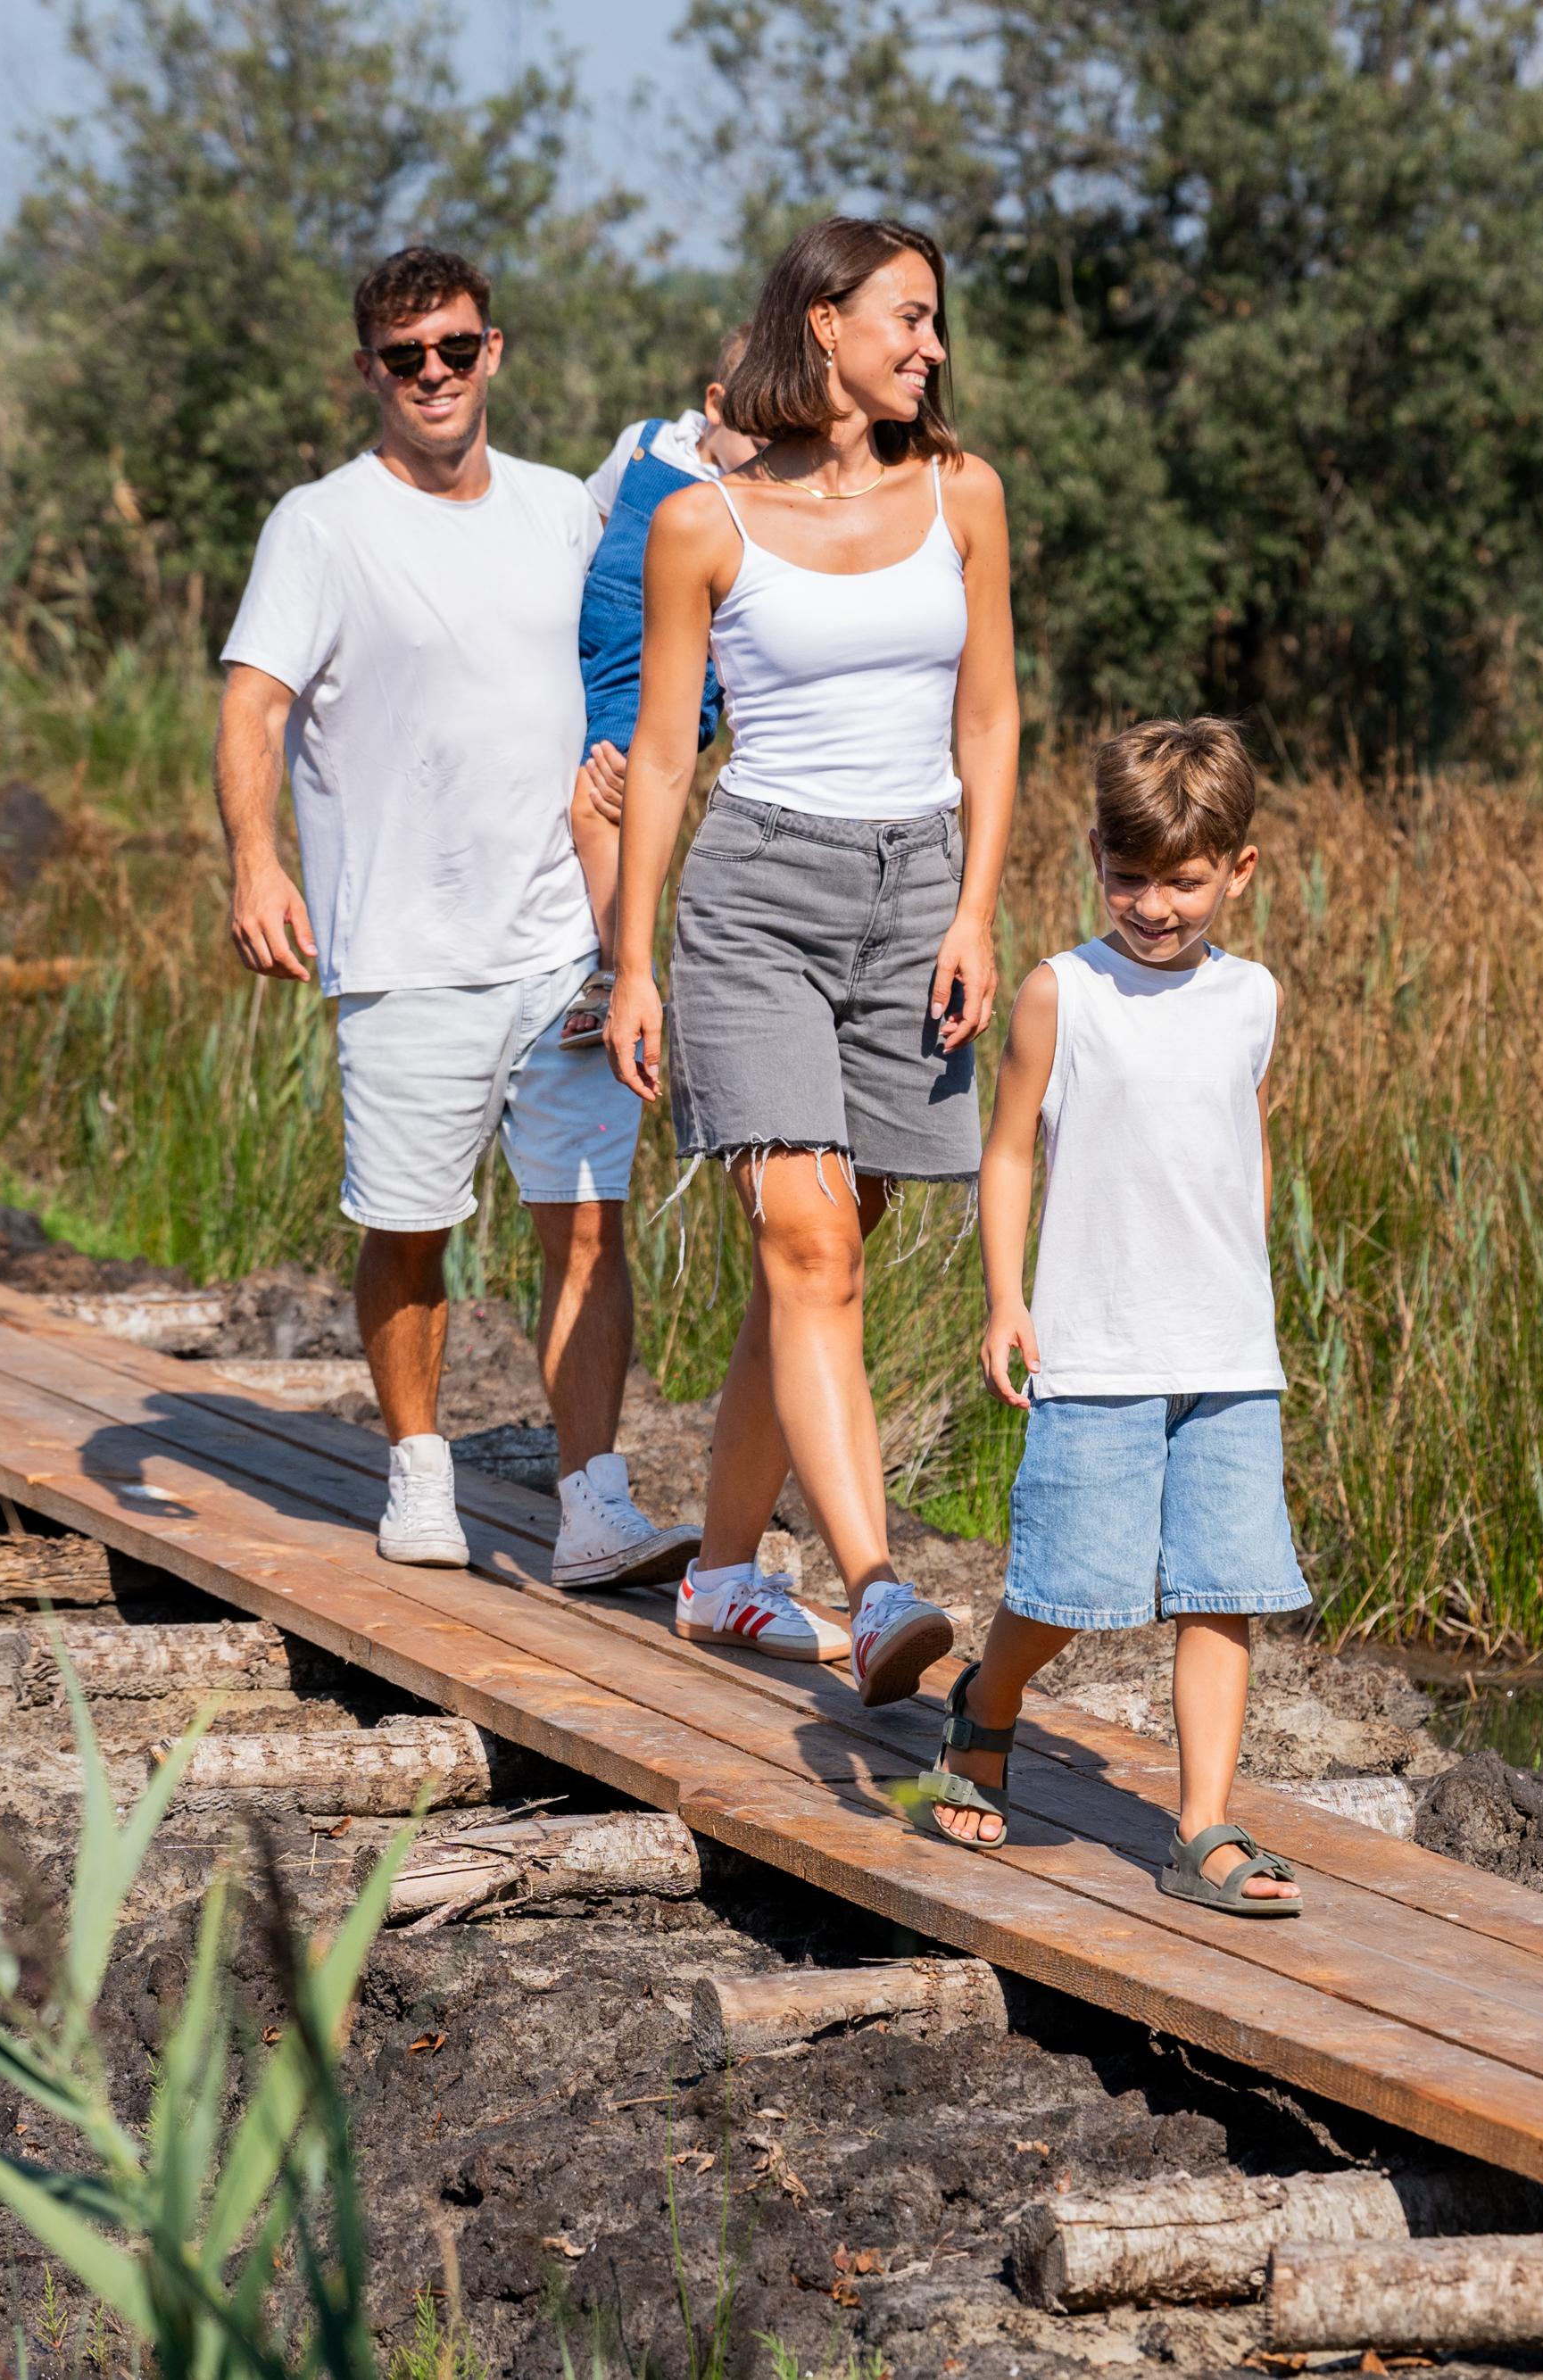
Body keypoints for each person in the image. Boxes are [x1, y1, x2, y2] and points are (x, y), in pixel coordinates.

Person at [215, 245, 699, 1593]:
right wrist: (257, 863)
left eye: (455, 348)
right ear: (367, 370)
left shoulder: (558, 509)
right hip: (402, 951)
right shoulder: (321, 524)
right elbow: (252, 702)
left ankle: (592, 1495)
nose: (433, 374)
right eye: (403, 356)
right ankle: (420, 1466)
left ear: (496, 353)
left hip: (566, 943)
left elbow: (638, 640)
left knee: (588, 1220)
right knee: (410, 1226)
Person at [603, 217, 1022, 1695]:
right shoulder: (698, 522)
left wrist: (974, 910)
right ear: (823, 323)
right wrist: (636, 960)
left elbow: (988, 722)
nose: (931, 346)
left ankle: (721, 1578)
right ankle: (877, 1581)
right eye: (906, 318)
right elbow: (662, 757)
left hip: (916, 903)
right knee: (810, 1245)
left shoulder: (963, 495)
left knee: (823, 1267)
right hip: (758, 899)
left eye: (935, 323)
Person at [902, 719, 1307, 1917]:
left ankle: (1204, 1829)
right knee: (1069, 1579)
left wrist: (1252, 1277)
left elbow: (1246, 1140)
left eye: (1183, 879)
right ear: (1093, 856)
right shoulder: (1061, 992)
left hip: (1229, 1347)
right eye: (1129, 876)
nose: (1154, 904)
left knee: (1220, 1583)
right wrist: (1006, 1296)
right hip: (1097, 1340)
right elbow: (1012, 1148)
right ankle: (989, 1696)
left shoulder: (1252, 998)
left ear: (1237, 869)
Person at [558, 331, 762, 1038]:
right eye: (757, 427)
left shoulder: (750, 504)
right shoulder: (642, 443)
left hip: (652, 672)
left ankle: (621, 969)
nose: (766, 451)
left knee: (596, 804)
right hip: (585, 648)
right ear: (715, 404)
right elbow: (590, 530)